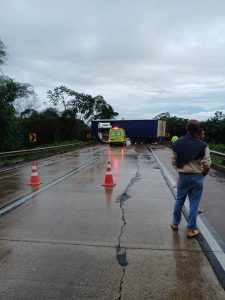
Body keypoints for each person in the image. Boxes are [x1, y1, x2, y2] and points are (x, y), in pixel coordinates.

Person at [171, 120, 211, 238]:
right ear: (198, 130)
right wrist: (202, 174)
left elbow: (173, 162)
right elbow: (207, 165)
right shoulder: (203, 146)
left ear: (186, 129)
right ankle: (191, 229)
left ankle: (175, 223)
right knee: (194, 204)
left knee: (179, 200)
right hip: (197, 176)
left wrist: (180, 171)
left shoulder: (177, 143)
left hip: (183, 176)